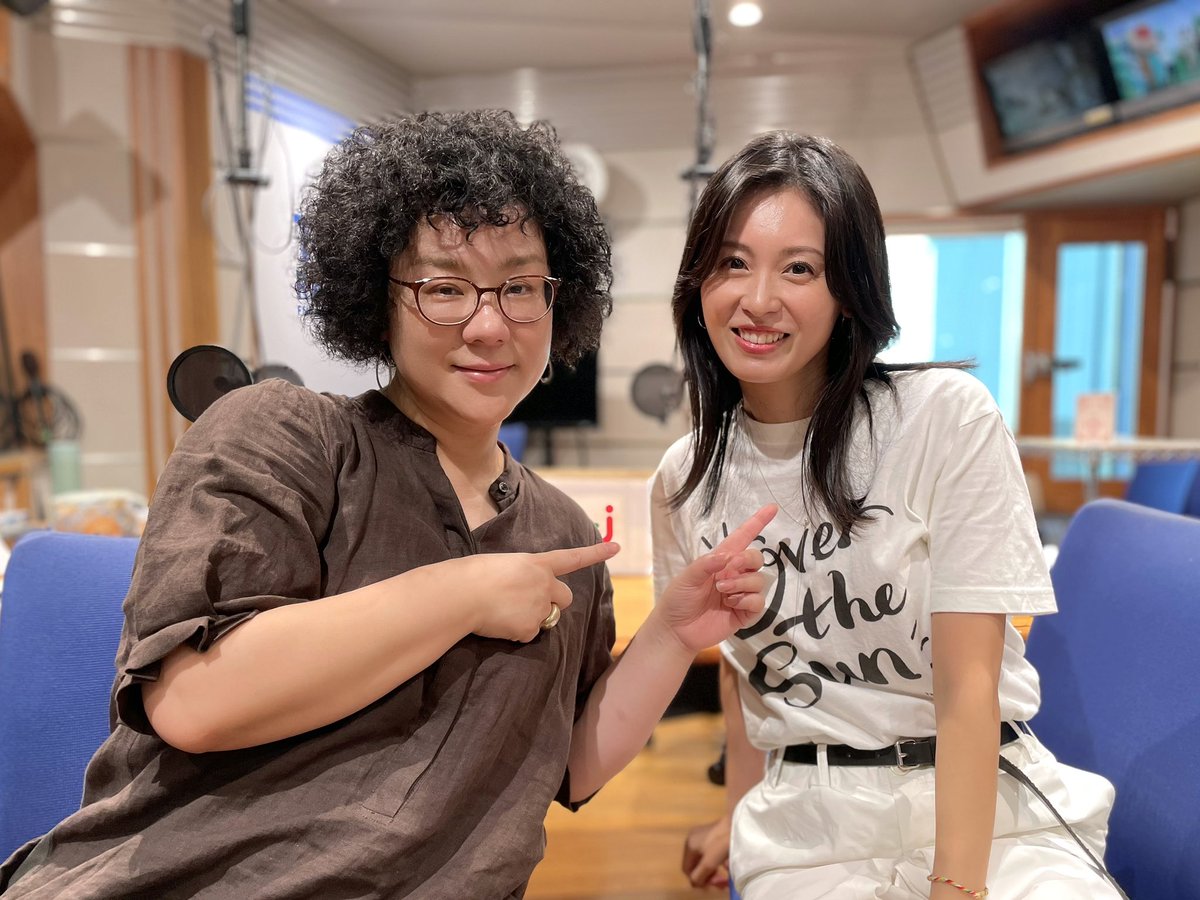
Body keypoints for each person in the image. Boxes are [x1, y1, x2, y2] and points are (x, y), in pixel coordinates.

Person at [0, 110, 776, 899]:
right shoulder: (285, 435)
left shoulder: (560, 535)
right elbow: (196, 702)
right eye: (444, 289)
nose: (488, 325)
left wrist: (671, 635)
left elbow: (565, 765)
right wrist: (463, 593)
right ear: (379, 301)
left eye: (519, 288)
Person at [651, 131, 1124, 900]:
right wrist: (737, 813)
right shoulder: (685, 478)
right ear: (697, 282)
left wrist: (955, 887)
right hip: (808, 826)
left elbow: (969, 687)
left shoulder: (944, 419)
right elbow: (747, 676)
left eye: (799, 269)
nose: (758, 299)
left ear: (849, 289)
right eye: (732, 262)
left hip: (991, 807)